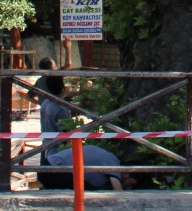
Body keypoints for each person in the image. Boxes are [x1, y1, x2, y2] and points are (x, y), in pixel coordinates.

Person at [34, 57, 125, 190]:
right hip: (58, 149)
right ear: (63, 89)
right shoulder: (61, 108)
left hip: (45, 146)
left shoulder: (44, 105)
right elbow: (66, 132)